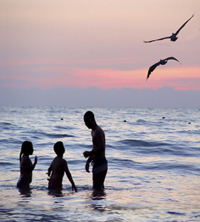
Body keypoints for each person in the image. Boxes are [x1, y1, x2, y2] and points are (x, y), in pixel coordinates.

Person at [83, 111, 108, 190]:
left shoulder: (98, 131)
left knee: (98, 188)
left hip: (101, 162)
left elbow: (101, 148)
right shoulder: (93, 132)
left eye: (88, 122)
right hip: (96, 162)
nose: (86, 124)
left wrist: (89, 153)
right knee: (97, 189)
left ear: (93, 119)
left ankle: (100, 202)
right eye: (85, 122)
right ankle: (99, 202)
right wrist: (89, 160)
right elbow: (95, 148)